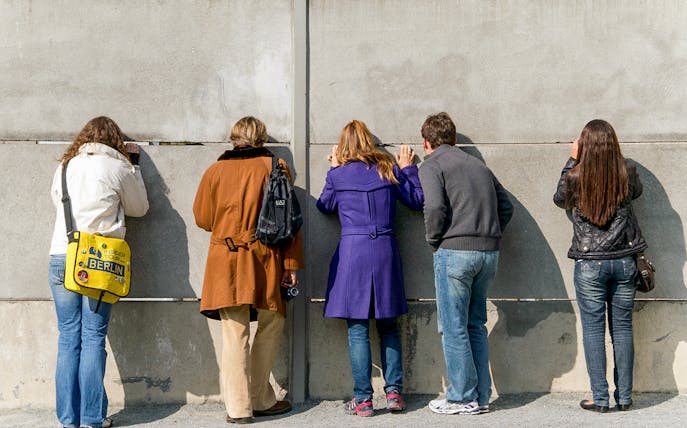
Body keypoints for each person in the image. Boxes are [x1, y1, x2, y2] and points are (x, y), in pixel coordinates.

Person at [193, 116, 304, 424]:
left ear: (234, 138)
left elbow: (202, 218)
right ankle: (260, 398)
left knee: (234, 333)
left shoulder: (215, 170)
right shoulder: (276, 168)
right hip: (265, 259)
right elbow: (291, 223)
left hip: (224, 262)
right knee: (272, 324)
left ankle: (240, 408)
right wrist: (292, 265)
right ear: (261, 138)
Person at [316, 120, 424, 417]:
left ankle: (363, 400)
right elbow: (417, 200)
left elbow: (324, 206)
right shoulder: (387, 168)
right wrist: (408, 168)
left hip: (353, 254)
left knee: (358, 328)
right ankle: (394, 394)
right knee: (388, 325)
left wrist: (334, 169)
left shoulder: (339, 175)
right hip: (385, 251)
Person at [48, 116, 149, 428]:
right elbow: (139, 208)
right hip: (97, 261)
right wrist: (135, 166)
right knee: (92, 337)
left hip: (61, 255)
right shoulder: (117, 166)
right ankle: (91, 419)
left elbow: (56, 200)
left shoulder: (65, 166)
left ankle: (68, 418)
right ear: (115, 140)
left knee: (68, 338)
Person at [418, 112, 513, 415]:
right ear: (454, 139)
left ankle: (460, 397)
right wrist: (488, 233)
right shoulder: (478, 166)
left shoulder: (431, 165)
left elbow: (433, 206)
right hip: (489, 253)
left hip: (455, 252)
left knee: (453, 326)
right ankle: (481, 397)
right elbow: (506, 206)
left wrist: (435, 239)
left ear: (425, 143)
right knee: (475, 324)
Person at [553, 119, 646, 412]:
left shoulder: (575, 175)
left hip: (590, 264)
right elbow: (638, 192)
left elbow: (559, 200)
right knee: (622, 328)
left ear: (584, 145)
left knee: (593, 331)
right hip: (623, 261)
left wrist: (572, 158)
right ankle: (626, 397)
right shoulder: (627, 170)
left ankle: (601, 399)